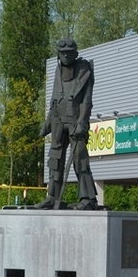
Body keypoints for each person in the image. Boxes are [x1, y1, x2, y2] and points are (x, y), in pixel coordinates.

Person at [36, 37, 98, 210]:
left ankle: (88, 199)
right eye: (62, 53)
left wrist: (83, 123)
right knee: (55, 158)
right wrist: (48, 122)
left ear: (75, 54)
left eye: (69, 53)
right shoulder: (57, 69)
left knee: (80, 159)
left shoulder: (85, 70)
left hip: (75, 121)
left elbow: (87, 101)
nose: (65, 56)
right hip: (57, 120)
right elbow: (55, 97)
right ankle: (52, 196)